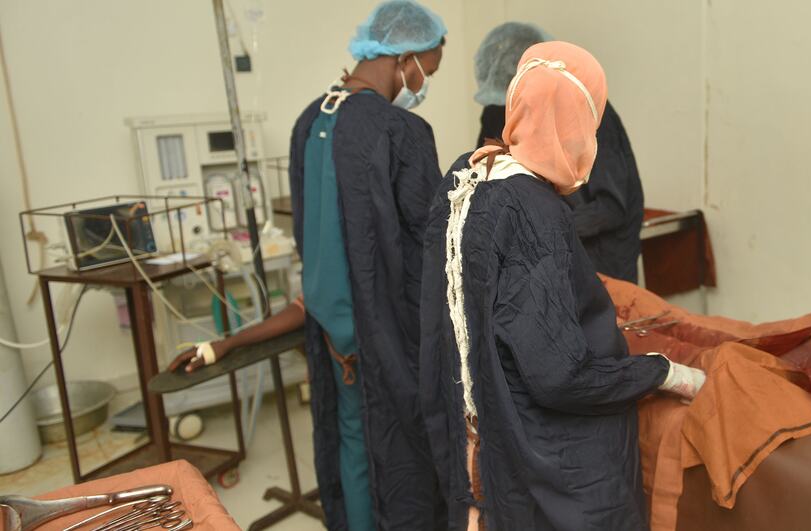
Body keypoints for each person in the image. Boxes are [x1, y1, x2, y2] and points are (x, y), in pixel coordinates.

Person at [171, 1, 448, 529]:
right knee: (406, 461)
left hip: (332, 336)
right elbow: (429, 253)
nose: (423, 84)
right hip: (391, 341)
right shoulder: (401, 132)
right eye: (426, 71)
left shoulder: (308, 123)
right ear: (404, 58)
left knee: (353, 446)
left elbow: (317, 243)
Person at [419, 42, 706, 530]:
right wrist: (657, 373)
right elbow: (559, 376)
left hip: (478, 438)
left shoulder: (465, 176)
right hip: (546, 458)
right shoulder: (536, 212)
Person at [474, 23, 645, 283]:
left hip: (599, 259)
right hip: (540, 260)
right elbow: (490, 180)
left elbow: (611, 207)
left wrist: (542, 228)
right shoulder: (498, 111)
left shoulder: (585, 114)